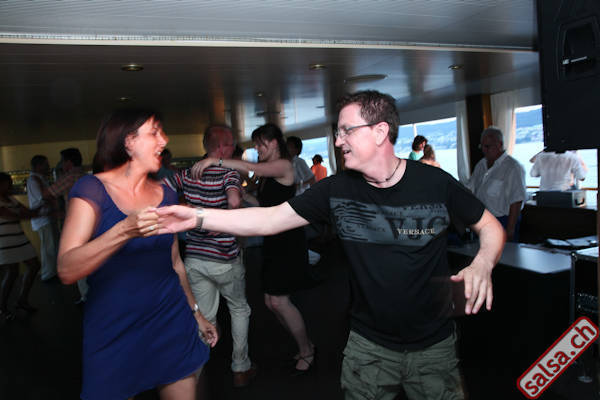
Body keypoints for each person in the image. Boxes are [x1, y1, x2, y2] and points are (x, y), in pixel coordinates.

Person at [155, 90, 505, 400]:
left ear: (380, 131)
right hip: (369, 346)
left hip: (434, 346)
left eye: (346, 131)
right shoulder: (337, 190)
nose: (338, 141)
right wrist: (197, 217)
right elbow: (268, 219)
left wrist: (482, 263)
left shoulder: (434, 182)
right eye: (338, 132)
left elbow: (489, 226)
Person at [56, 109, 217, 400]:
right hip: (115, 326)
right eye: (155, 133)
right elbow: (67, 270)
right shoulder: (92, 189)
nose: (164, 140)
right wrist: (124, 230)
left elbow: (175, 263)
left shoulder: (166, 194)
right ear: (128, 142)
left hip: (170, 319)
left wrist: (197, 314)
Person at [192, 123, 317, 376]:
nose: (257, 148)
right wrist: (243, 195)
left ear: (274, 143)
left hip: (287, 240)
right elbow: (264, 204)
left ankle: (307, 350)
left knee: (279, 301)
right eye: (256, 144)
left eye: (260, 144)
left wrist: (215, 161)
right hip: (274, 239)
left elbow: (253, 167)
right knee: (271, 302)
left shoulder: (283, 165)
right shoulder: (269, 173)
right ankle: (304, 345)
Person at [163, 125, 257, 388]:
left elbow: (160, 191)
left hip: (195, 257)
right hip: (224, 256)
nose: (234, 149)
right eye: (232, 144)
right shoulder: (229, 173)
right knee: (239, 309)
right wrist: (228, 218)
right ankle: (240, 367)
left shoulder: (186, 174)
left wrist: (185, 209)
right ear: (223, 147)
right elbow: (235, 202)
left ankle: (195, 374)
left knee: (204, 317)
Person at [43, 147, 88, 302]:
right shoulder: (85, 176)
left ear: (69, 162)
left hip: (76, 224)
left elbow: (47, 193)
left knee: (78, 260)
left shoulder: (70, 177)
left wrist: (58, 211)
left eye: (62, 161)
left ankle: (86, 295)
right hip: (90, 221)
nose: (61, 164)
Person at [466, 126, 526, 242]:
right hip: (482, 221)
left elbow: (517, 200)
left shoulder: (513, 167)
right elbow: (470, 188)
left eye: (488, 146)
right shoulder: (481, 165)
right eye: (482, 146)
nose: (484, 150)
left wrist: (510, 230)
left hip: (502, 221)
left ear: (500, 144)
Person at [0, 173, 40, 320]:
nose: (9, 186)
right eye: (6, 183)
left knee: (34, 265)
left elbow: (25, 211)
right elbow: (11, 215)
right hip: (5, 241)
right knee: (12, 273)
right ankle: (3, 307)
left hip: (18, 238)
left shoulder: (10, 198)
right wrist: (32, 214)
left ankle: (22, 300)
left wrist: (35, 211)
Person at [26, 155, 59, 281]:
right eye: (46, 165)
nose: (48, 167)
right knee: (48, 248)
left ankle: (51, 272)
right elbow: (43, 197)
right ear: (38, 166)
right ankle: (48, 275)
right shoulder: (34, 180)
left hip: (46, 218)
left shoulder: (39, 179)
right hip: (43, 219)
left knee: (51, 246)